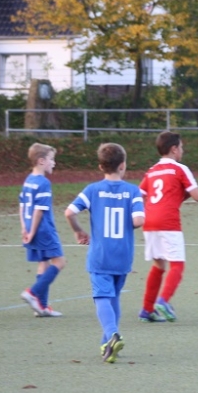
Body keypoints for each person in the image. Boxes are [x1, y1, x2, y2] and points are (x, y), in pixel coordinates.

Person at [64, 143, 145, 363]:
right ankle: (106, 345)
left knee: (102, 297)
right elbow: (139, 220)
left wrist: (79, 231)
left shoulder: (92, 190)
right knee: (114, 297)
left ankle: (112, 335)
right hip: (123, 255)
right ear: (123, 165)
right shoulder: (132, 191)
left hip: (100, 256)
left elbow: (69, 212)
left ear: (101, 167)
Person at [137, 131, 198, 323]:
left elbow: (140, 194)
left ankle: (146, 310)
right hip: (168, 221)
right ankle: (163, 301)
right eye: (181, 147)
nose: (182, 150)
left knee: (158, 264)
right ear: (174, 149)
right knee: (177, 265)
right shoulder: (180, 169)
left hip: (149, 221)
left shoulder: (151, 171)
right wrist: (183, 193)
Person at [19, 143, 66, 317]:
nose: (54, 163)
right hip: (44, 230)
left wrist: (25, 227)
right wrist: (32, 231)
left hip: (31, 228)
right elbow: (39, 210)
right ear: (41, 161)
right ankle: (32, 293)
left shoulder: (29, 180)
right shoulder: (43, 183)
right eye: (51, 159)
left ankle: (42, 307)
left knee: (43, 263)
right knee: (60, 262)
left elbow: (22, 205)